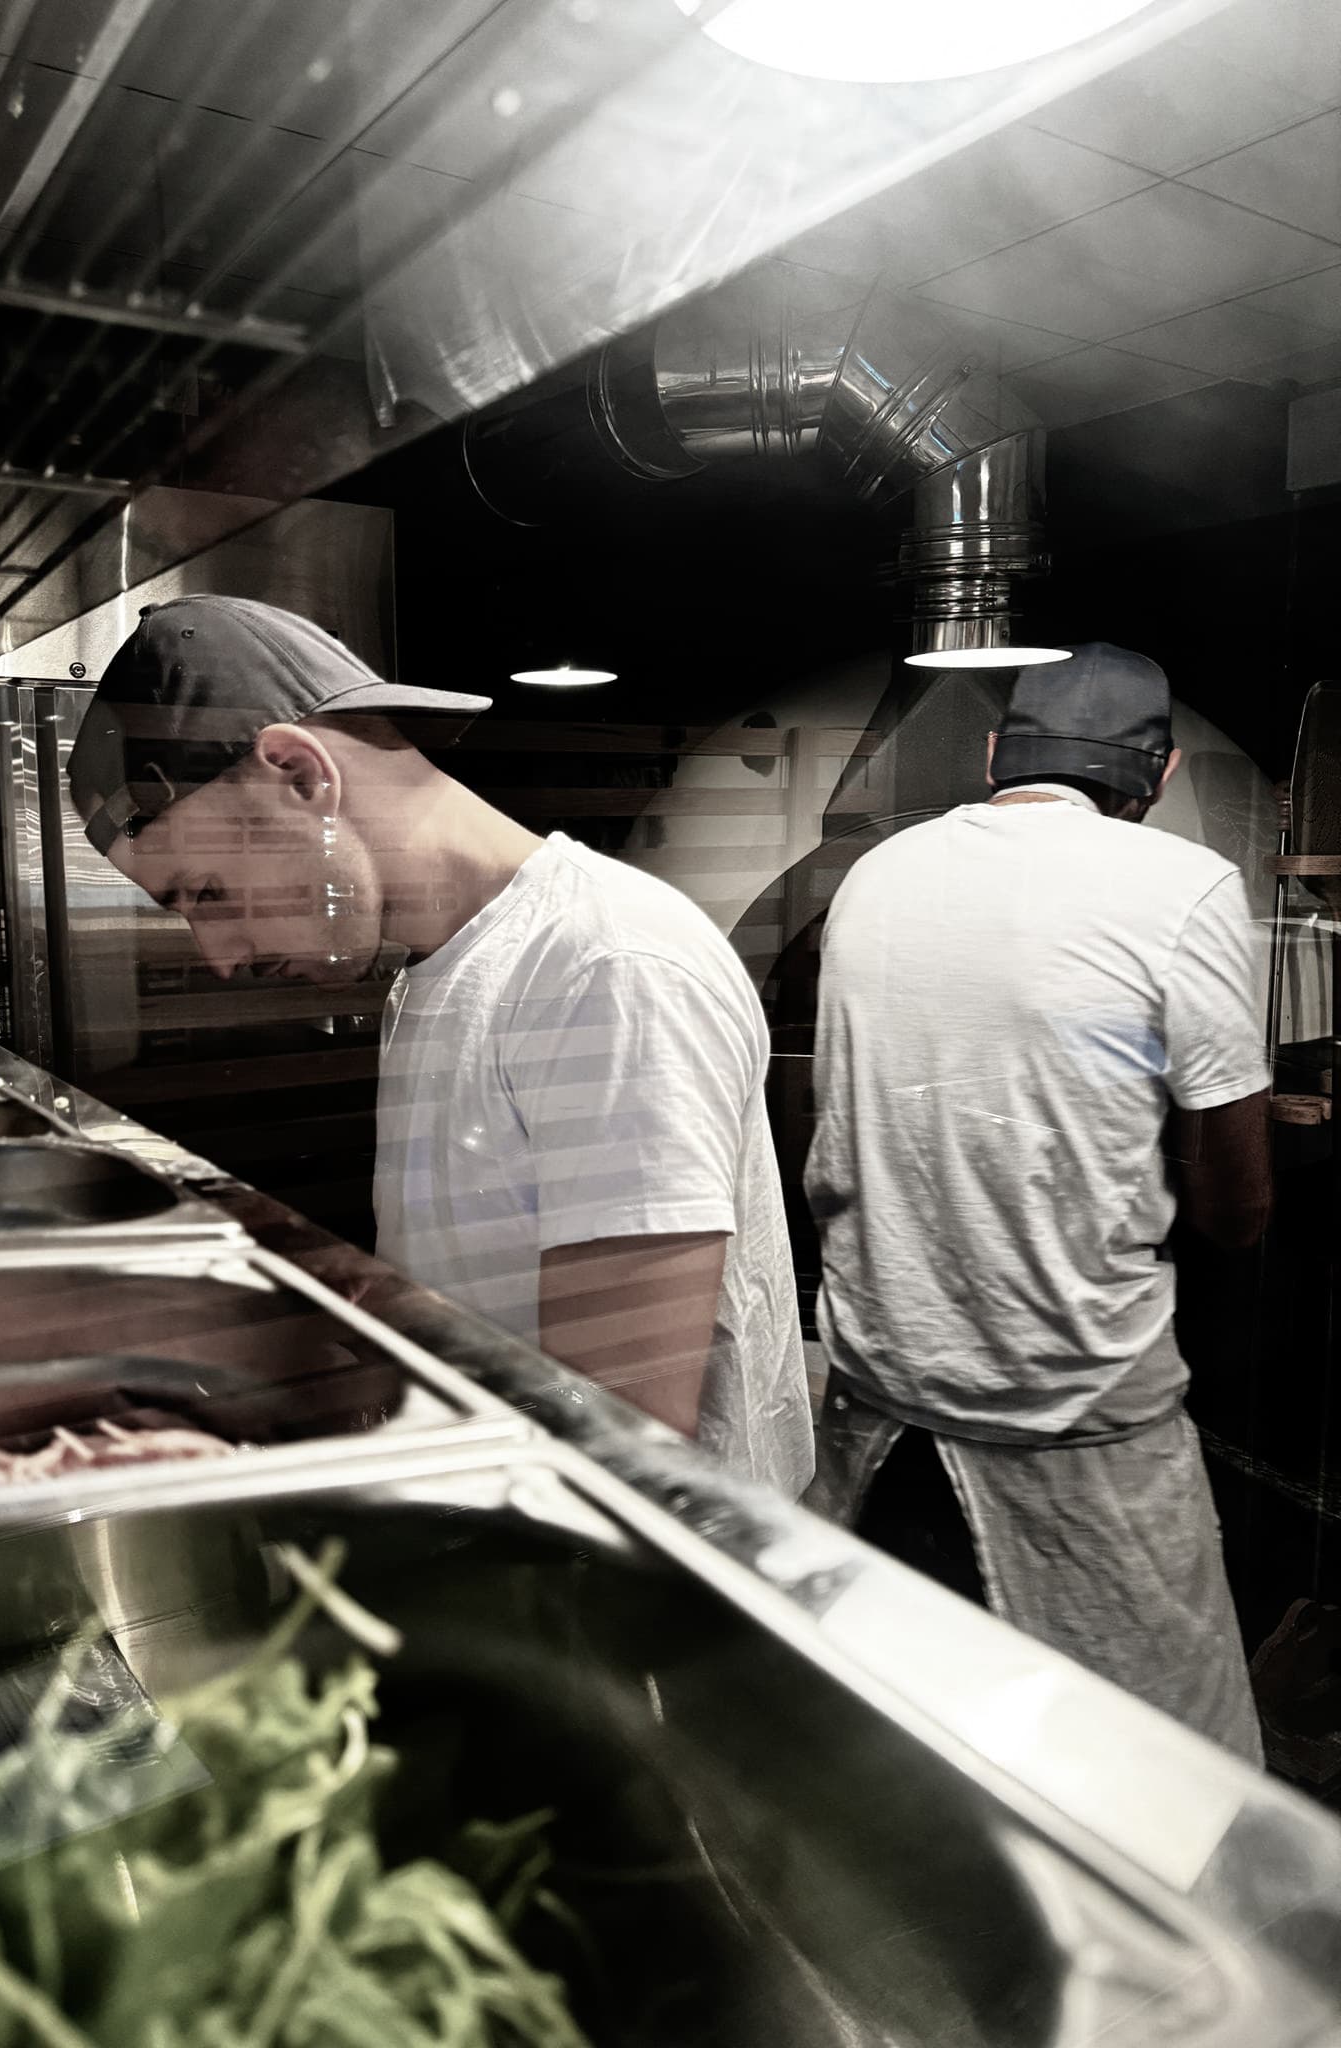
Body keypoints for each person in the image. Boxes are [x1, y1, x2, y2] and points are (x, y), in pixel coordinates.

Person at [68, 593, 813, 1495]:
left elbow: (625, 1433)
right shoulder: (435, 974)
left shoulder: (603, 968)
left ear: (300, 775)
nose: (218, 957)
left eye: (206, 892)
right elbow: (475, 1309)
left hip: (645, 1562)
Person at [805, 643, 1272, 1760]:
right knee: (1152, 1763)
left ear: (993, 757)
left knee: (906, 1744)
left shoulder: (880, 872)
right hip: (1073, 1409)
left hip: (882, 1389)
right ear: (1159, 775)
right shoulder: (1184, 884)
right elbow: (1237, 1205)